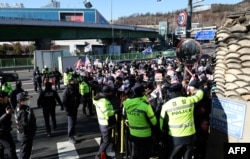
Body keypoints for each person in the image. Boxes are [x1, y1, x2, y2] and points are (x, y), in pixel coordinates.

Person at [159, 82, 204, 159]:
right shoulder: (189, 100)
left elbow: (162, 124)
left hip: (175, 138)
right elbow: (200, 95)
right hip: (190, 136)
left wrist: (163, 132)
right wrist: (200, 87)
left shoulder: (166, 106)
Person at [123, 84, 157, 159]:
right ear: (142, 93)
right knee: (144, 155)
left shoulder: (127, 104)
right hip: (145, 135)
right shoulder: (145, 105)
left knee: (135, 154)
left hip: (133, 133)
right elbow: (154, 122)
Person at [92, 85, 119, 159]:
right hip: (106, 123)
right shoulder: (104, 101)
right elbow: (107, 112)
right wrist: (116, 111)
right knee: (106, 141)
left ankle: (103, 155)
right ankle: (98, 156)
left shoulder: (99, 97)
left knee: (104, 140)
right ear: (108, 93)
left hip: (103, 122)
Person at [15, 91, 37, 159]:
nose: (28, 100)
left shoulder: (21, 108)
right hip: (25, 135)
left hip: (24, 134)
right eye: (26, 99)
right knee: (24, 154)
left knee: (25, 152)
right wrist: (30, 115)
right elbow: (26, 124)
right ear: (20, 101)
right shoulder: (22, 111)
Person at [62, 78, 81, 144]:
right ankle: (70, 136)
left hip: (75, 107)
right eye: (73, 81)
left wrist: (78, 103)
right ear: (70, 82)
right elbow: (64, 101)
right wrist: (66, 110)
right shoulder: (67, 90)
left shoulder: (75, 88)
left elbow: (78, 96)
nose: (74, 82)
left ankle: (73, 132)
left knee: (74, 121)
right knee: (71, 122)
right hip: (70, 109)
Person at [0, 90, 18, 159]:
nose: (7, 99)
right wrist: (6, 114)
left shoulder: (5, 105)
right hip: (1, 132)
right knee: (10, 146)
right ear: (1, 98)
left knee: (1, 148)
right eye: (6, 97)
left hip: (5, 130)